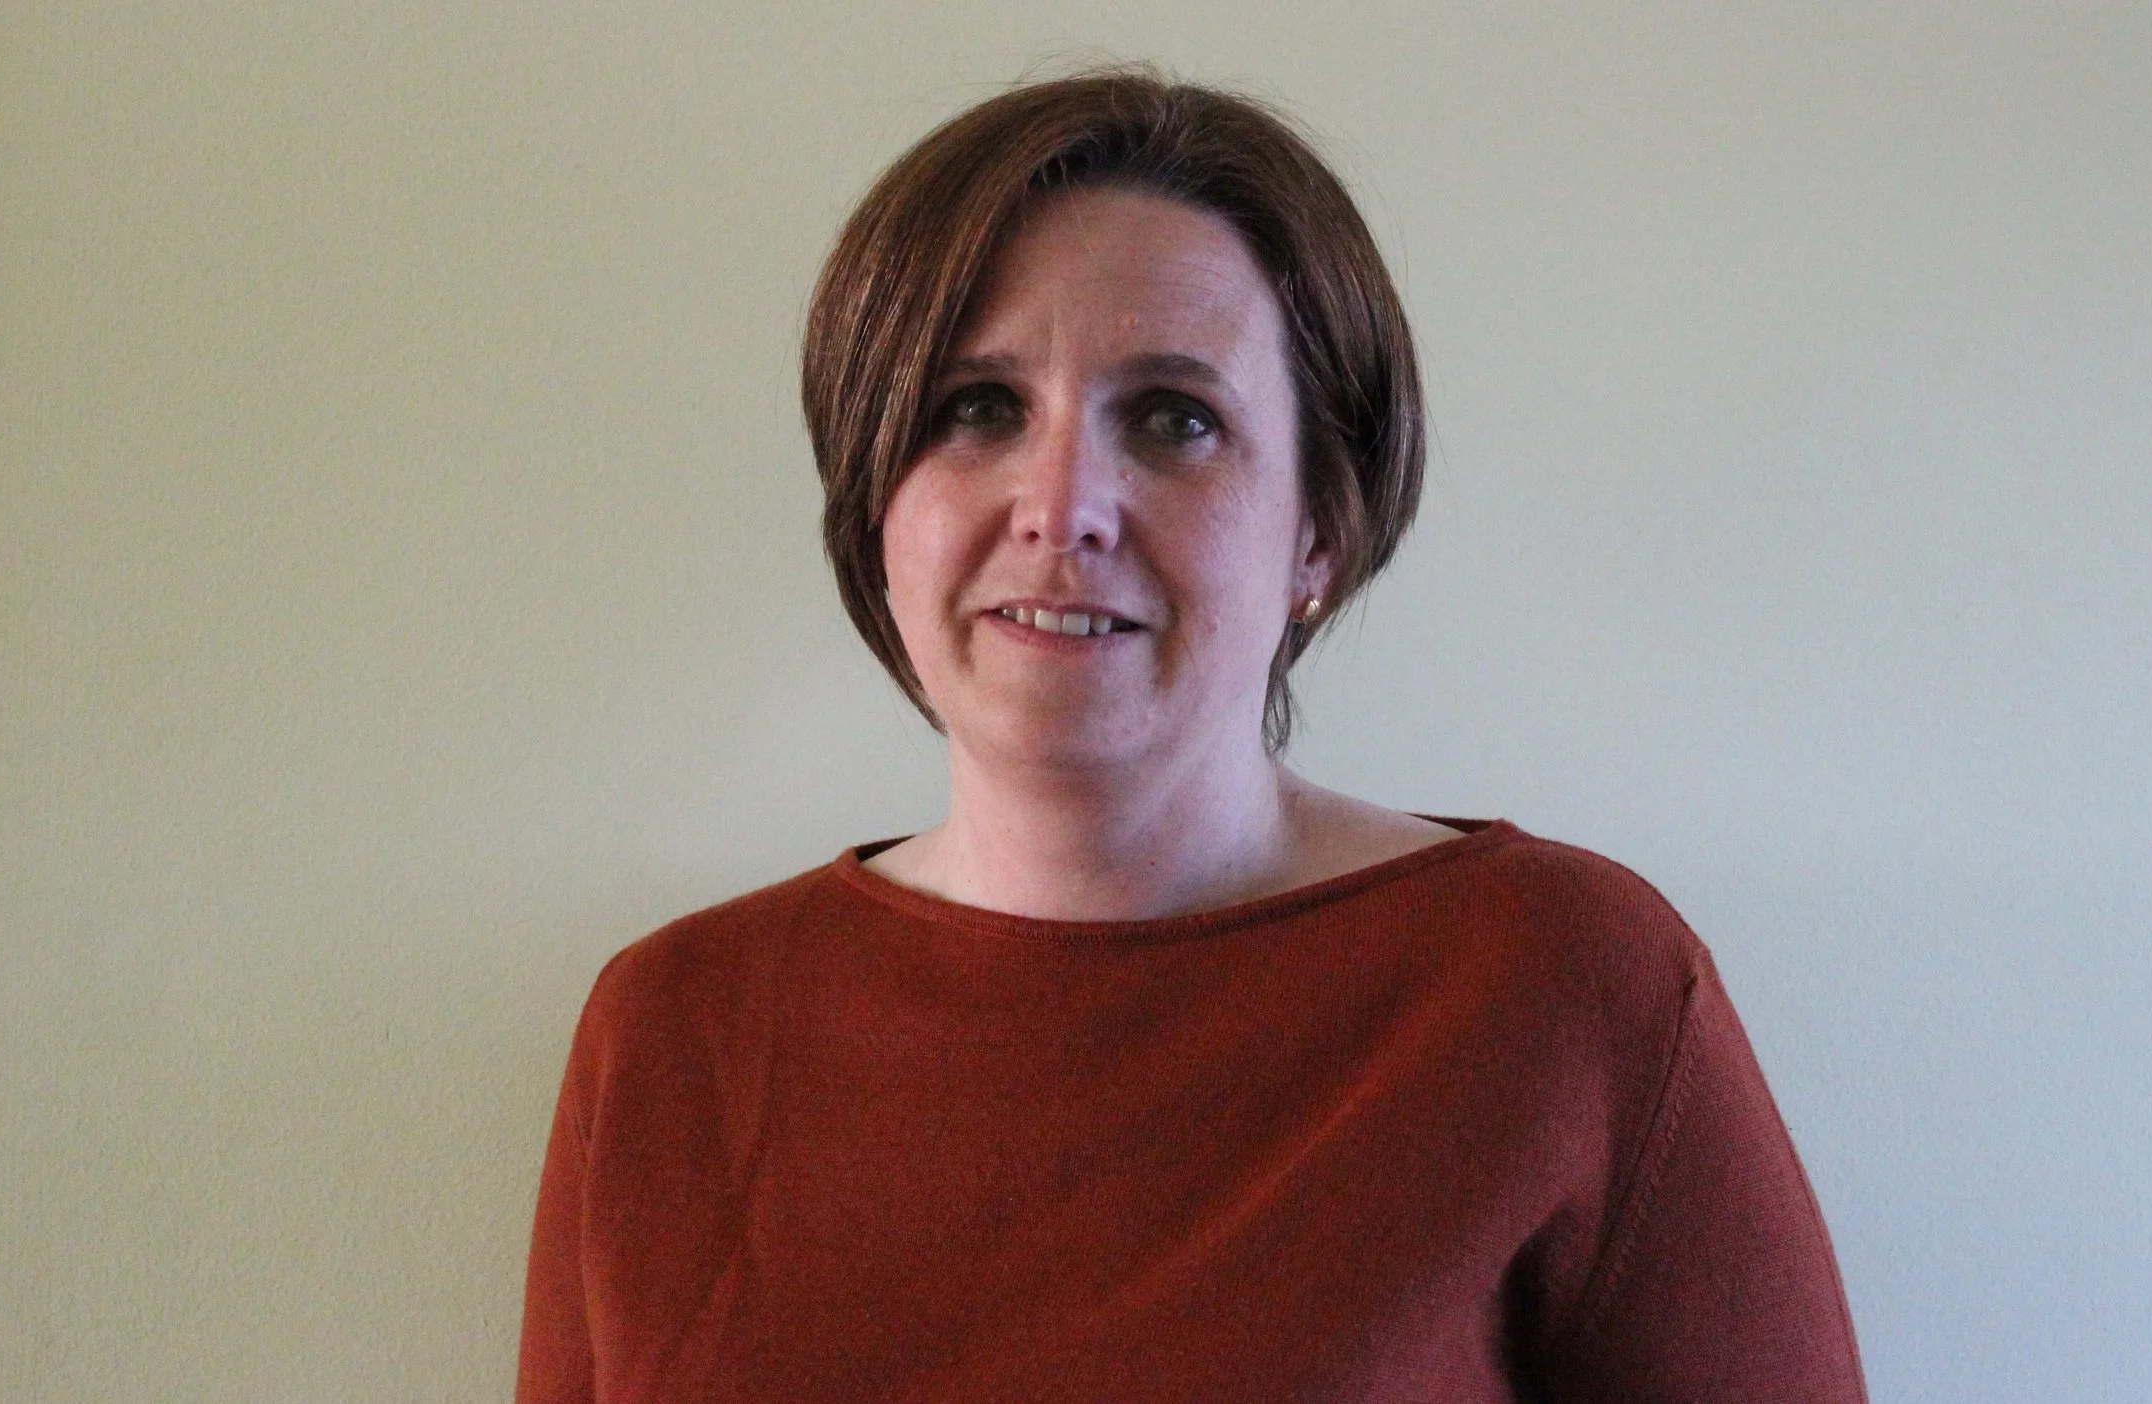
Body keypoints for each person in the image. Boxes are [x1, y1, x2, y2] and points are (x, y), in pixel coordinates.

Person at [516, 68, 1867, 1403]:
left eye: (1174, 420)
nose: (1063, 508)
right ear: (878, 501)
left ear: (1318, 533)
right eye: (975, 408)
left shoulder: (1566, 991)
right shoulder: (671, 1032)